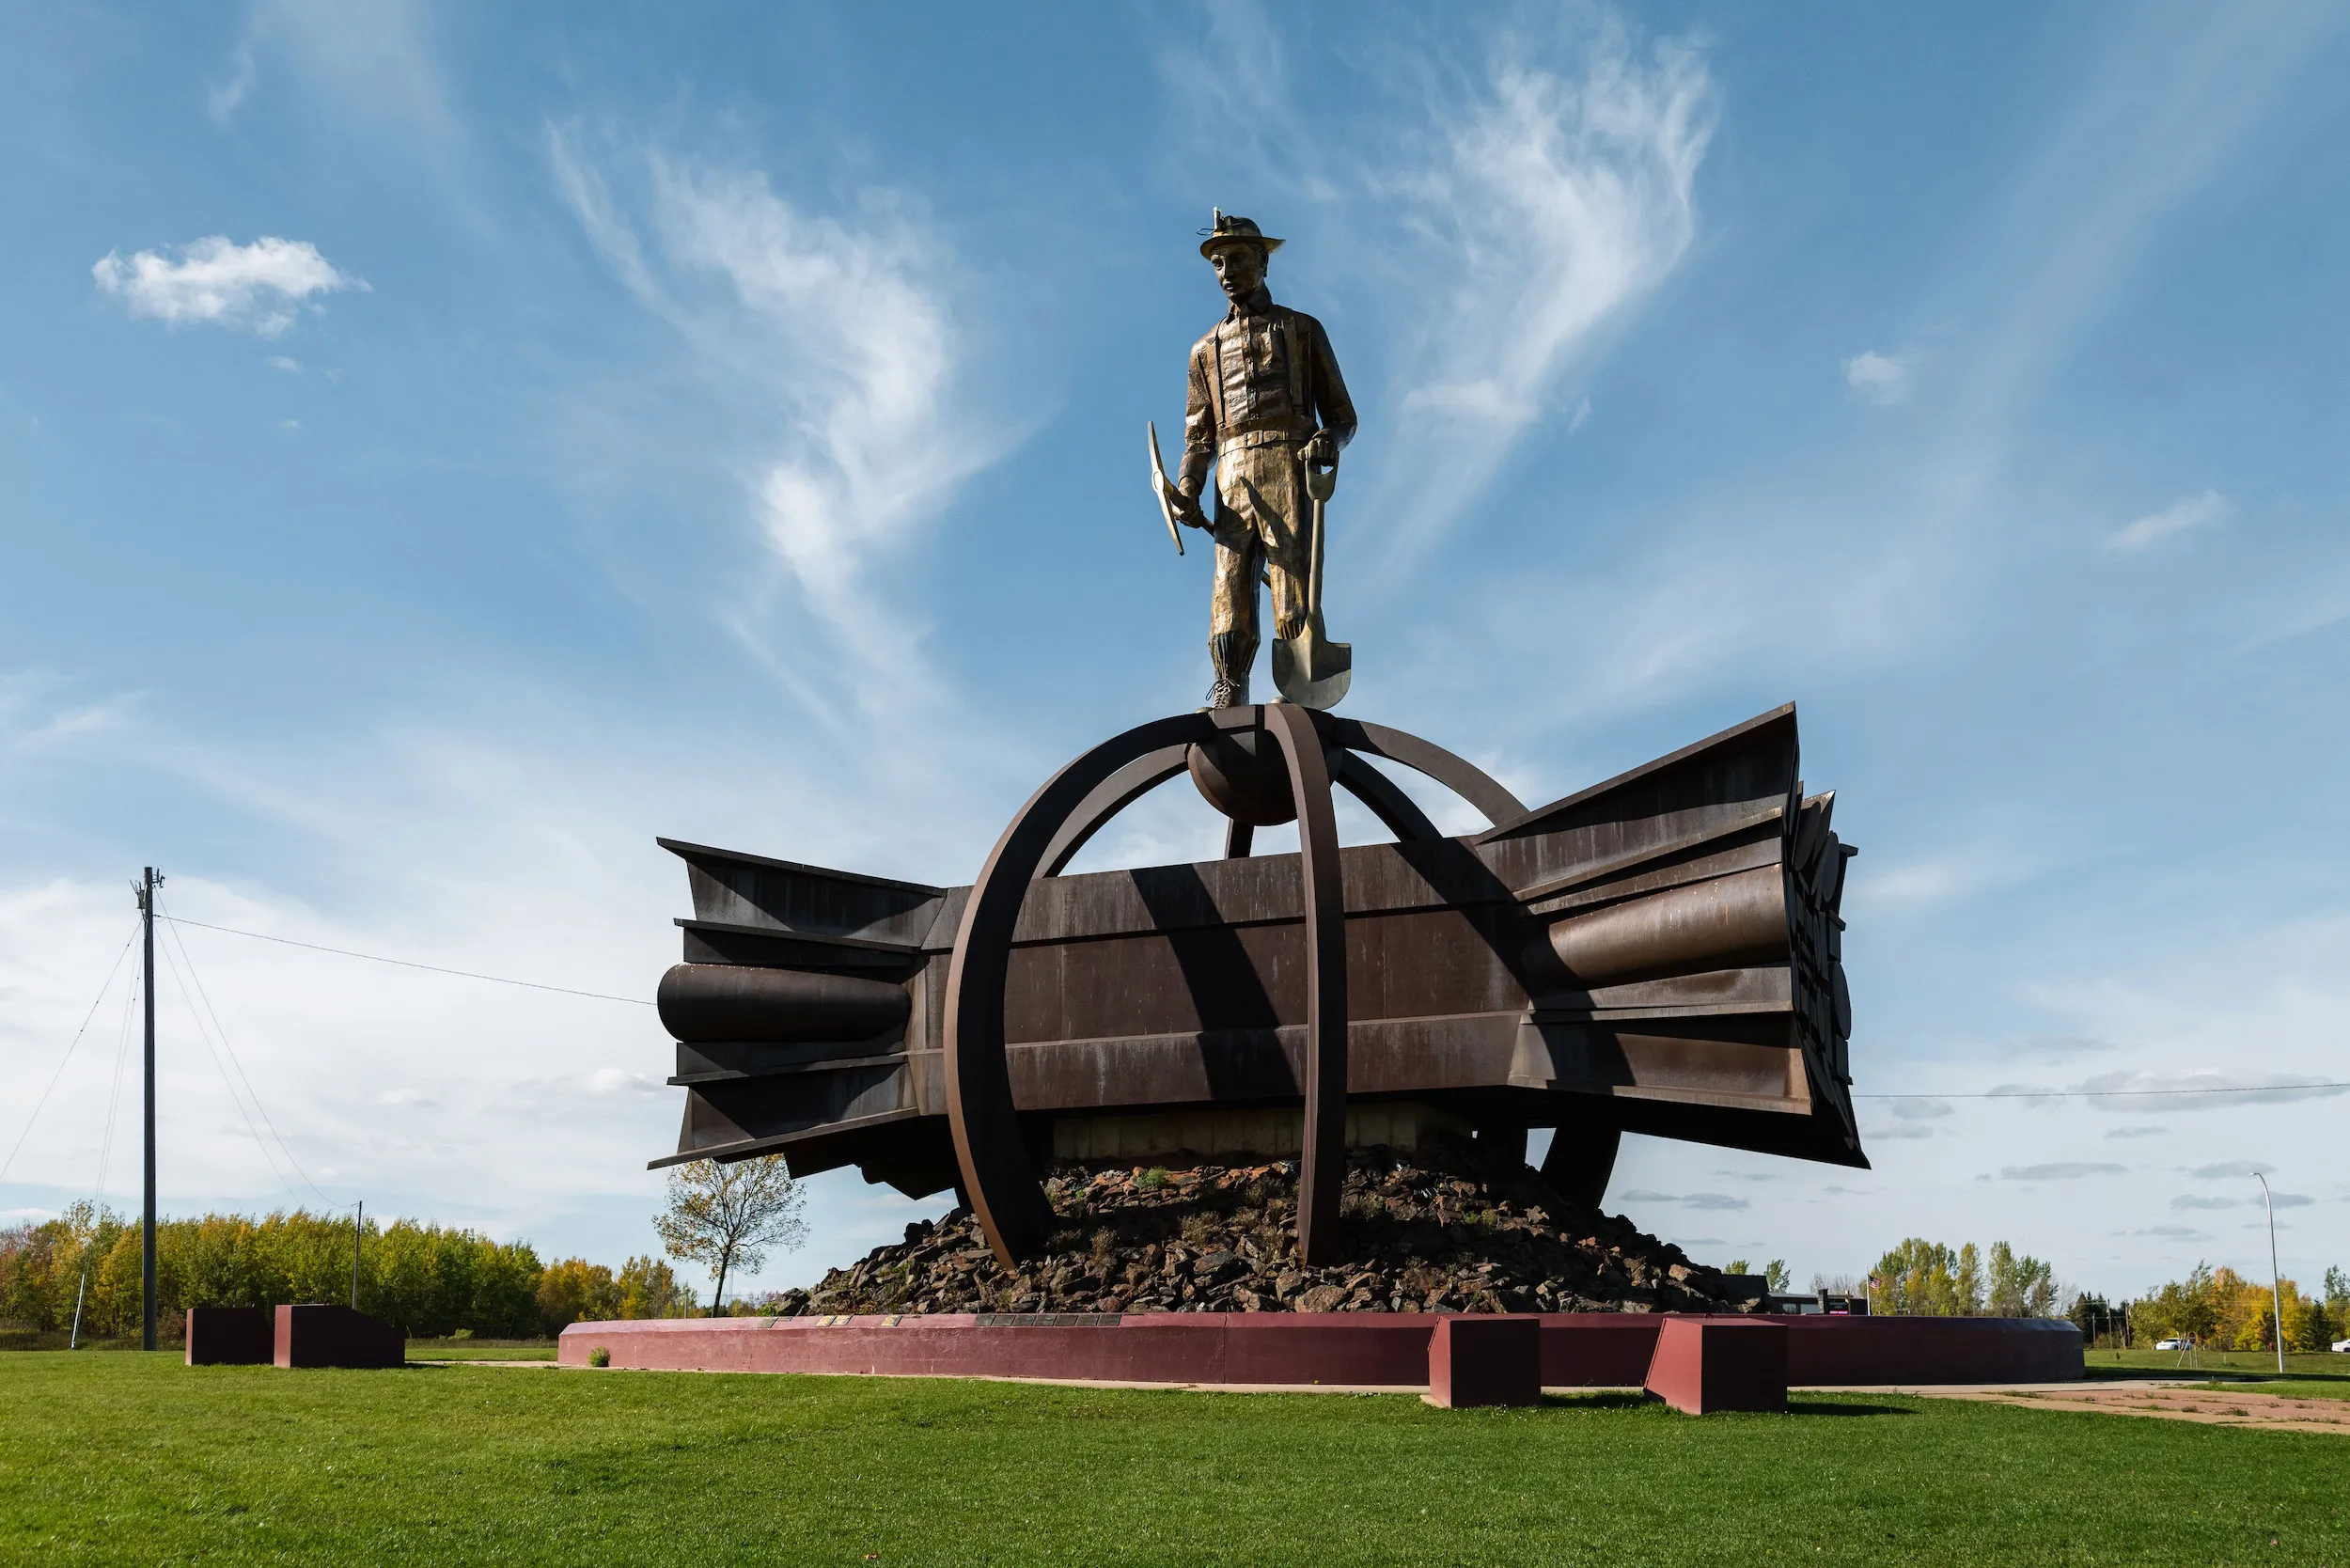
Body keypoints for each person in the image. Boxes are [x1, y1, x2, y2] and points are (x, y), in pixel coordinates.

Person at [1168, 212, 1357, 708]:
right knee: (1228, 585)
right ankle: (1229, 685)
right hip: (1232, 480)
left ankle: (1300, 689)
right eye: (1217, 263)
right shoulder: (1203, 351)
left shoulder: (1301, 330)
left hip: (1289, 469)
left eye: (1235, 259)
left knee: (1292, 581)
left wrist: (1328, 442)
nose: (1226, 271)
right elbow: (1198, 438)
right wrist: (1187, 487)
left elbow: (1342, 415)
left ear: (1262, 263)